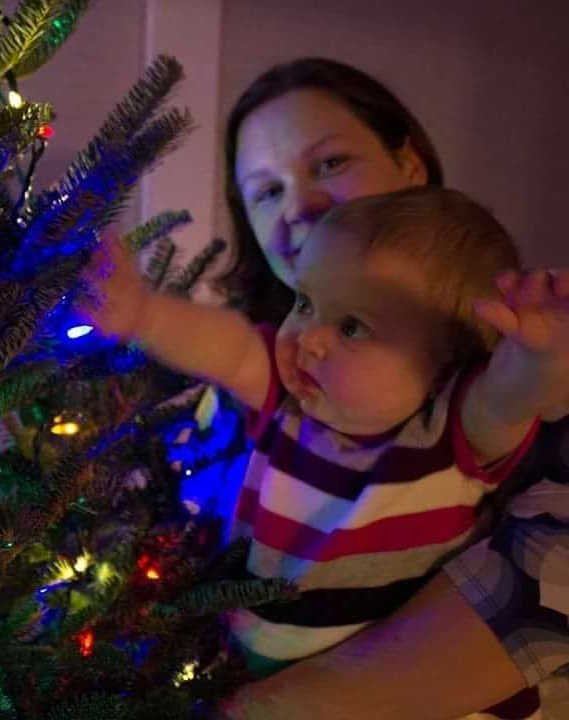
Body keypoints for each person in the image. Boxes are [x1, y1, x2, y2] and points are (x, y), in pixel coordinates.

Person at [78, 185, 568, 720]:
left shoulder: (449, 434)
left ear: (446, 364)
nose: (307, 338)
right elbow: (231, 348)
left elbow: (509, 396)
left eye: (352, 326)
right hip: (256, 671)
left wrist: (540, 357)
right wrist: (144, 314)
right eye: (305, 303)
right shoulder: (290, 403)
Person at [210, 58, 569, 720]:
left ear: (410, 165)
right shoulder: (259, 372)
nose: (300, 207)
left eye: (329, 163)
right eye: (265, 192)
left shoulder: (462, 392)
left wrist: (540, 358)